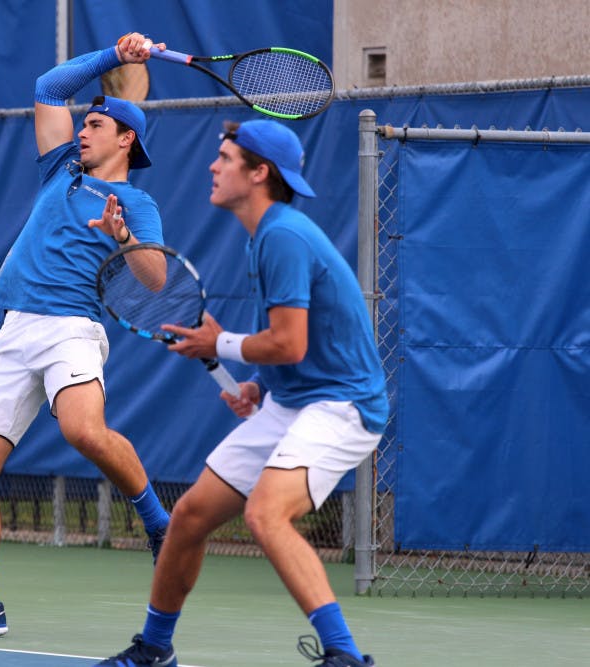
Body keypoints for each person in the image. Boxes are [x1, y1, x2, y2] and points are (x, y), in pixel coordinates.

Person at [95, 119, 388, 667]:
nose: (213, 165)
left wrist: (219, 344)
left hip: (344, 406)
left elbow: (291, 342)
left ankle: (345, 656)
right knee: (190, 516)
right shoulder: (265, 236)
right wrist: (257, 385)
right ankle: (155, 649)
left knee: (266, 514)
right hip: (294, 400)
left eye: (226, 158)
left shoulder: (283, 237)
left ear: (259, 173)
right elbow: (298, 342)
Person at [0, 33, 172, 638]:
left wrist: (123, 237)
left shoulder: (135, 203)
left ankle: (160, 524)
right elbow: (49, 89)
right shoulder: (61, 169)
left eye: (96, 125)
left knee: (84, 431)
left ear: (126, 139)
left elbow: (156, 277)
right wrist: (115, 56)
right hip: (16, 327)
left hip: (70, 329)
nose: (82, 131)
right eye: (83, 124)